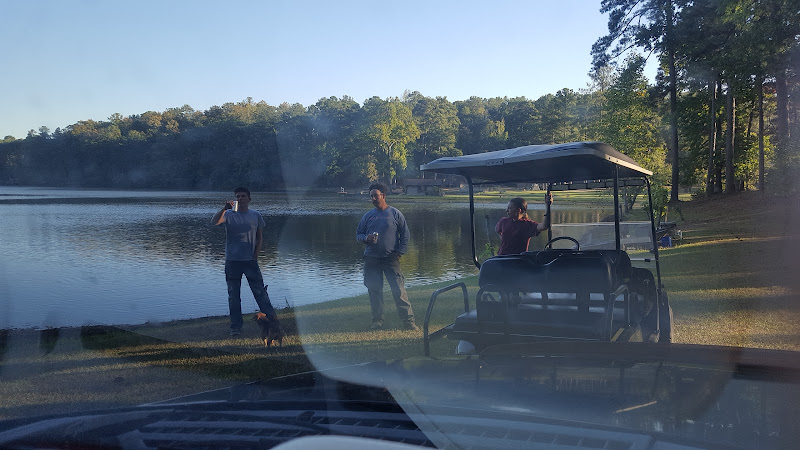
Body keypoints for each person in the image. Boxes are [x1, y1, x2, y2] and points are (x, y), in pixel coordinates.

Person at [211, 187, 277, 336]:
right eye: (237, 196)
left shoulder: (255, 215)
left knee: (260, 293)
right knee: (233, 296)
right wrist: (224, 208)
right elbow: (214, 222)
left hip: (250, 261)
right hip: (232, 262)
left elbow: (259, 237)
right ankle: (235, 327)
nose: (240, 199)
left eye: (243, 196)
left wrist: (255, 256)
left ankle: (273, 322)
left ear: (249, 199)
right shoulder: (228, 214)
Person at [356, 183, 418, 331]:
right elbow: (358, 234)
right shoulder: (368, 216)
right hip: (372, 259)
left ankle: (408, 322)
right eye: (371, 196)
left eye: (375, 195)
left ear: (383, 195)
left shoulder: (395, 214)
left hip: (391, 258)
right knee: (374, 290)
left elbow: (405, 234)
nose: (373, 198)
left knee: (398, 290)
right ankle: (377, 321)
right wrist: (366, 238)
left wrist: (400, 252)